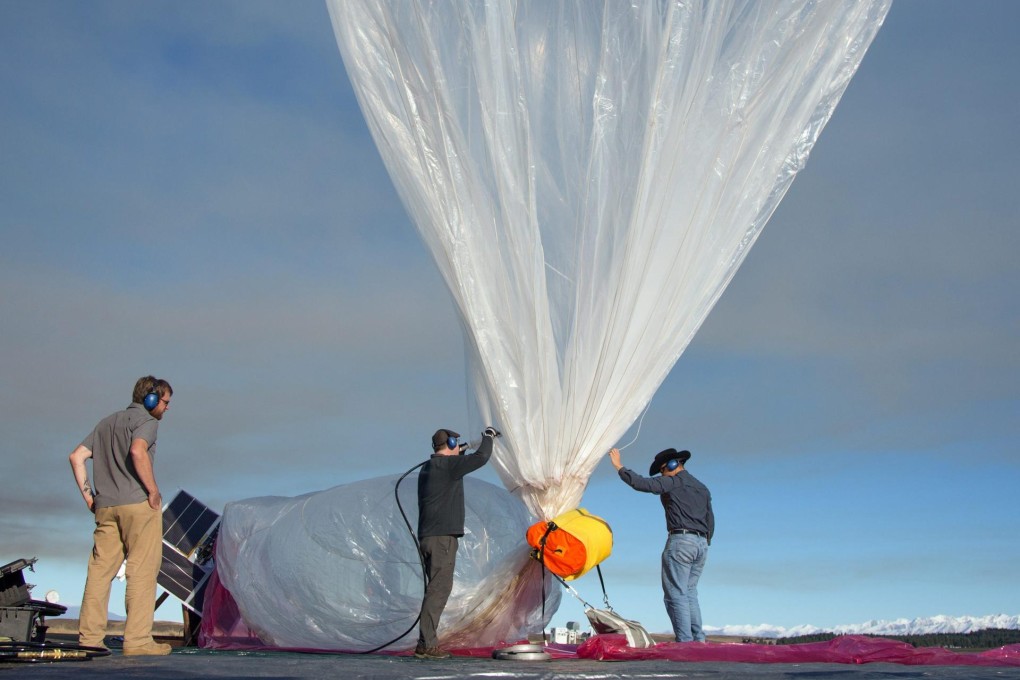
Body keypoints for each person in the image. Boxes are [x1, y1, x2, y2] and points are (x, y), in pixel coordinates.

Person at [68, 375, 174, 655]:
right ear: (150, 399)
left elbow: (76, 457)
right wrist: (153, 492)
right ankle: (138, 642)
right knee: (141, 570)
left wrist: (90, 498)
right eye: (165, 402)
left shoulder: (105, 423)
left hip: (105, 507)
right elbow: (138, 451)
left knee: (100, 572)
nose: (167, 408)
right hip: (137, 506)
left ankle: (89, 640)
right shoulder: (146, 422)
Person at [608, 446, 714, 643]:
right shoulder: (702, 487)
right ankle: (699, 641)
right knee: (690, 592)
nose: (662, 475)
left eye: (663, 470)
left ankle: (685, 643)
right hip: (701, 545)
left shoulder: (672, 483)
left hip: (681, 541)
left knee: (676, 594)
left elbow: (642, 484)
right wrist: (705, 541)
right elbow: (710, 519)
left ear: (673, 465)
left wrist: (619, 466)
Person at [414, 425, 500, 659]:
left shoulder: (429, 467)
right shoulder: (449, 467)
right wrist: (488, 436)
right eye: (456, 443)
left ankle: (426, 642)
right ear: (451, 445)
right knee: (439, 589)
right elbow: (481, 457)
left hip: (429, 536)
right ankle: (427, 645)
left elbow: (453, 464)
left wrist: (459, 452)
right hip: (442, 537)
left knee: (435, 588)